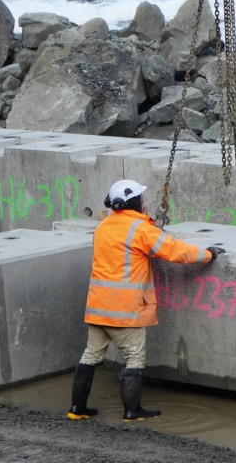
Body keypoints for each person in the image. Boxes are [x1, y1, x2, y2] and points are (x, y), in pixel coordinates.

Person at [67, 179, 226, 422]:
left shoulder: (104, 227)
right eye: (141, 200)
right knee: (134, 359)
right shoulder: (140, 230)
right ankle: (132, 411)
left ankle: (77, 409)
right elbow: (175, 251)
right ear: (134, 203)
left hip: (98, 308)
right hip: (126, 311)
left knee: (90, 356)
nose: (144, 203)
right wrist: (207, 254)